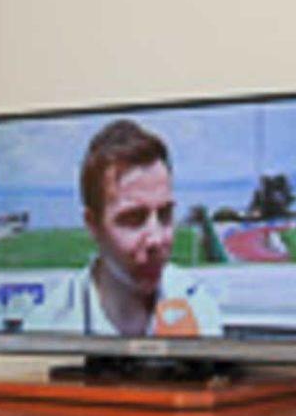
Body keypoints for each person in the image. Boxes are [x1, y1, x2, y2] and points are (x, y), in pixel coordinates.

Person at [25, 118, 224, 338]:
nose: (156, 239)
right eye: (133, 218)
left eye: (165, 214)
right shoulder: (49, 327)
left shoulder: (198, 306)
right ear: (93, 225)